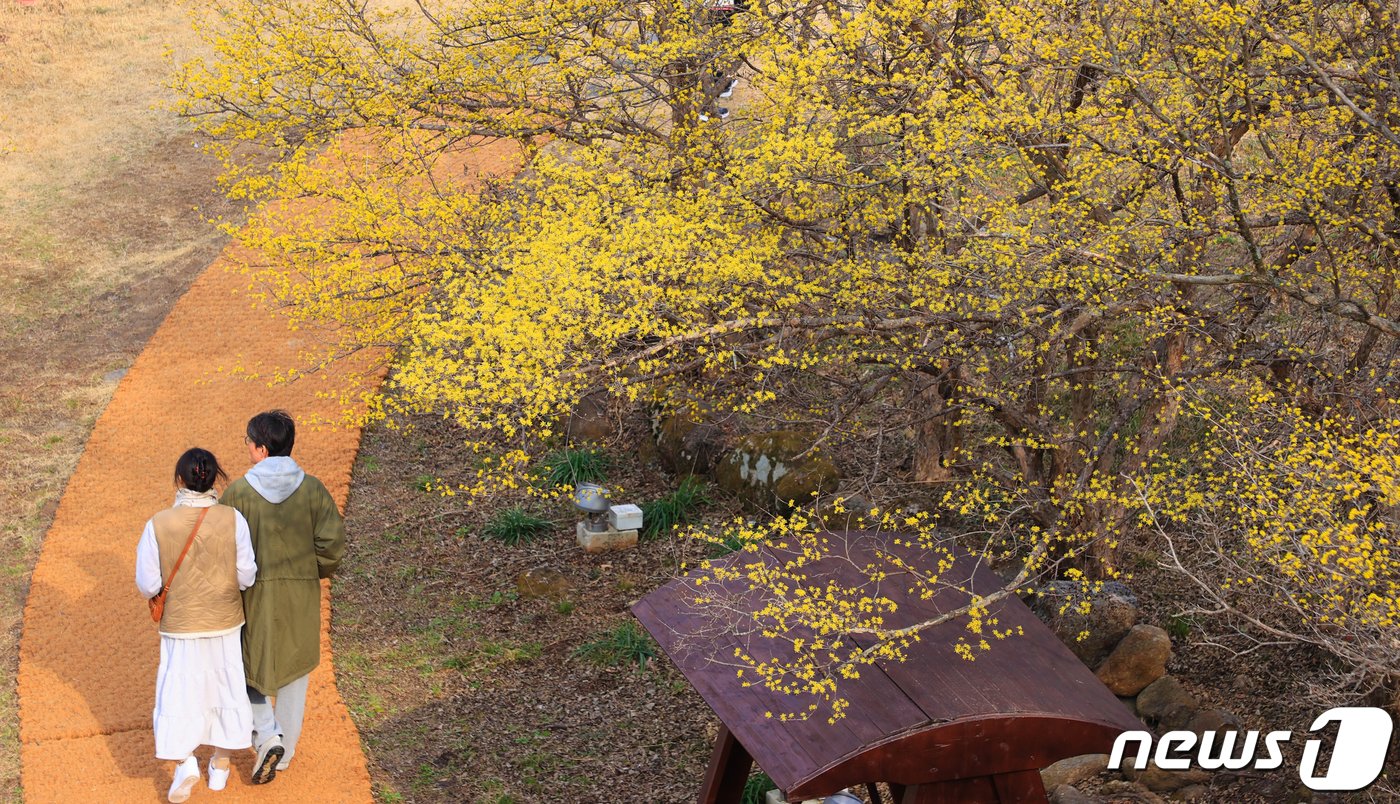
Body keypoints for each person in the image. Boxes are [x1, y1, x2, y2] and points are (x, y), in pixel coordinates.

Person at [220, 409, 346, 784]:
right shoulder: (313, 489)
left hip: (252, 595)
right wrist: (313, 571)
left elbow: (222, 546)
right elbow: (332, 545)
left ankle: (265, 737)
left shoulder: (238, 493)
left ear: (260, 449)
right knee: (295, 668)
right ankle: (284, 752)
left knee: (246, 665)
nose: (246, 447)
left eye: (247, 441)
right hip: (300, 592)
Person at [135, 448, 258, 803]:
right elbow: (246, 574)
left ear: (180, 480)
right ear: (213, 479)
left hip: (180, 626)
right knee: (224, 688)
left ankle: (185, 761)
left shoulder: (157, 523)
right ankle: (220, 764)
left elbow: (147, 584)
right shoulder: (233, 518)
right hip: (224, 621)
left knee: (179, 693)